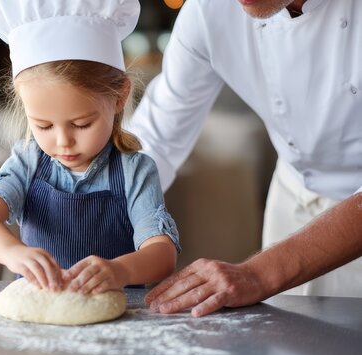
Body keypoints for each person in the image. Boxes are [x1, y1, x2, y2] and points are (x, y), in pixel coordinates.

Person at [128, 0, 362, 317]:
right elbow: (156, 140)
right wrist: (84, 216)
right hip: (291, 201)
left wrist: (260, 273)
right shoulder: (208, 11)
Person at [0, 0, 180, 295]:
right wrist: (13, 252)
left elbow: (162, 254)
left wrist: (121, 270)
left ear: (119, 97)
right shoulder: (27, 162)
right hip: (38, 325)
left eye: (81, 124)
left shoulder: (134, 172)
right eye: (43, 126)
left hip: (119, 324)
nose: (63, 141)